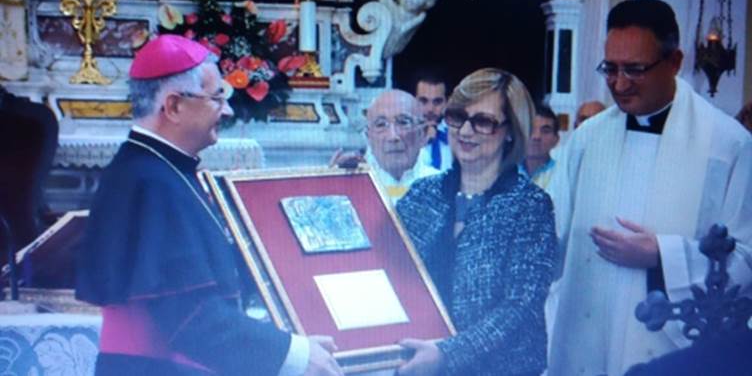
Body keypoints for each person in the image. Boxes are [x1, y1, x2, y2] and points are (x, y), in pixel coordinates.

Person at [76, 35, 342, 376]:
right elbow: (189, 318)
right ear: (173, 106)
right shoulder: (151, 183)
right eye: (217, 98)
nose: (228, 110)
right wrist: (290, 354)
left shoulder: (155, 171)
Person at [547, 0, 752, 376]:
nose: (619, 84)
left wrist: (663, 255)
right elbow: (553, 233)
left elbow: (745, 261)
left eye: (635, 70)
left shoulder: (729, 145)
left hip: (672, 352)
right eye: (610, 69)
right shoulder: (588, 137)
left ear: (675, 63)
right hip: (586, 343)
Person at [395, 68, 557, 376]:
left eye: (482, 121)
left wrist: (446, 354)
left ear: (512, 130)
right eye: (457, 116)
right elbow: (384, 266)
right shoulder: (422, 194)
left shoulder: (530, 206)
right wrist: (350, 186)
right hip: (417, 364)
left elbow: (520, 307)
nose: (465, 132)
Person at [332, 89, 439, 205]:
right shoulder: (352, 187)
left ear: (423, 134)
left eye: (403, 122)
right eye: (381, 125)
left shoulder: (441, 187)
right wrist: (331, 187)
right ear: (369, 137)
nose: (392, 136)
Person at [414, 71, 452, 171]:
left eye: (437, 101)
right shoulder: (401, 137)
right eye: (423, 101)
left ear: (447, 103)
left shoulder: (459, 136)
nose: (430, 109)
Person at [519, 104, 559, 190]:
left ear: (556, 140)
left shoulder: (561, 174)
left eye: (545, 131)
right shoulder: (506, 172)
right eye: (531, 129)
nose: (536, 136)